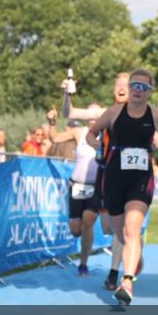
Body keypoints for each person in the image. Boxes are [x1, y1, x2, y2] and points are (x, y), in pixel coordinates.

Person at [86, 69, 158, 304]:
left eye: (144, 87)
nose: (138, 91)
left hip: (141, 179)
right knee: (121, 233)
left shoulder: (156, 115)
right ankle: (135, 256)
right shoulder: (113, 112)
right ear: (129, 88)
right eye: (135, 86)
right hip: (114, 177)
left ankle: (126, 282)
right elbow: (91, 133)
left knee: (131, 229)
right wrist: (96, 144)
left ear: (150, 91)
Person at [63, 71, 158, 291]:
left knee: (123, 230)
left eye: (127, 84)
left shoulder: (145, 114)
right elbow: (70, 112)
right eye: (119, 85)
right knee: (109, 228)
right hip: (108, 174)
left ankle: (117, 273)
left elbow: (157, 138)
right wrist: (67, 93)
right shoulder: (105, 112)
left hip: (134, 178)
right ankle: (132, 256)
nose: (122, 88)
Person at [48, 104, 105, 276]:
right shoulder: (78, 132)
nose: (94, 117)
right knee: (75, 230)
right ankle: (82, 252)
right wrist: (51, 122)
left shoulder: (108, 134)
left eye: (98, 114)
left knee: (88, 221)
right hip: (77, 185)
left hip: (96, 186)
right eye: (91, 114)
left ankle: (83, 263)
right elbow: (55, 138)